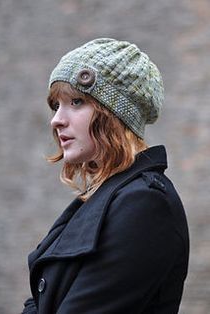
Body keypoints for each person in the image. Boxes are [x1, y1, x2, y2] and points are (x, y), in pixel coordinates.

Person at [22, 38, 189, 314]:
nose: (56, 120)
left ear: (113, 115)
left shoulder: (146, 205)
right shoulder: (105, 196)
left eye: (76, 102)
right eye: (56, 105)